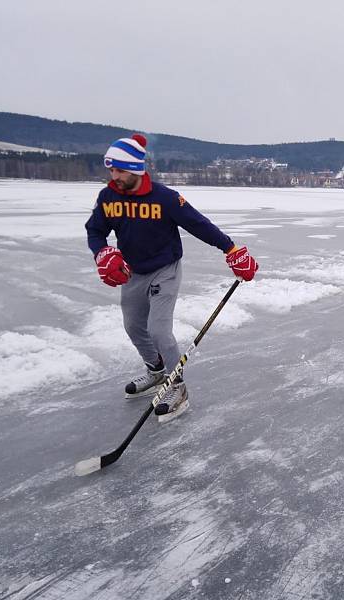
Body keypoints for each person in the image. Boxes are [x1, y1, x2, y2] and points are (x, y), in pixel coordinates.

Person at [85, 134, 258, 423]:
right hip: (132, 271)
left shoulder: (164, 198)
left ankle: (177, 386)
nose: (113, 176)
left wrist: (231, 249)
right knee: (133, 327)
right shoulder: (108, 197)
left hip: (166, 269)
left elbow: (199, 224)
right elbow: (95, 230)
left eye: (119, 170)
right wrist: (102, 253)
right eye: (111, 170)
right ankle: (156, 371)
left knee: (158, 330)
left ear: (136, 169)